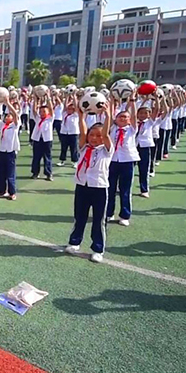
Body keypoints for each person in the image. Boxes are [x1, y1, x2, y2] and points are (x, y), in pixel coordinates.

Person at [65, 102, 113, 263]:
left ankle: (98, 249)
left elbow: (106, 135)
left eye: (98, 136)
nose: (94, 138)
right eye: (92, 135)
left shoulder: (106, 150)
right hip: (82, 186)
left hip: (99, 187)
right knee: (79, 216)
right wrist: (81, 116)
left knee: (99, 220)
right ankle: (74, 241)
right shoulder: (85, 147)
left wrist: (107, 115)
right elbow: (83, 132)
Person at [106, 93, 139, 226]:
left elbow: (135, 115)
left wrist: (132, 100)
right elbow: (110, 114)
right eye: (120, 117)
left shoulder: (131, 129)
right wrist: (112, 100)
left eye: (125, 117)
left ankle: (125, 215)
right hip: (112, 161)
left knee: (125, 190)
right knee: (110, 188)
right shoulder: (112, 128)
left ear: (129, 120)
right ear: (116, 119)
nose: (123, 119)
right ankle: (109, 213)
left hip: (127, 161)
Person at [135, 101, 162, 198]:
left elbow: (157, 110)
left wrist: (156, 98)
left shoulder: (150, 122)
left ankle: (144, 189)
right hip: (134, 147)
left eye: (145, 113)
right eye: (140, 113)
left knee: (144, 169)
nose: (142, 115)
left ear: (149, 114)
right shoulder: (134, 122)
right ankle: (120, 187)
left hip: (145, 147)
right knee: (128, 168)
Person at [0, 97, 20, 200]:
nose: (7, 117)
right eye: (6, 116)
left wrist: (8, 103)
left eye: (9, 116)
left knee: (10, 173)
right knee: (0, 172)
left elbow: (16, 115)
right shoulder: (3, 125)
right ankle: (2, 190)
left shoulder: (14, 126)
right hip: (1, 151)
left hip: (10, 152)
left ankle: (12, 192)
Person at [30, 97, 54, 181]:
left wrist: (49, 98)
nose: (42, 113)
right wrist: (36, 99)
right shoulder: (38, 119)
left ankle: (48, 173)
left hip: (47, 140)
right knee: (36, 157)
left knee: (47, 157)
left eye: (44, 111)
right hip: (37, 139)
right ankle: (35, 172)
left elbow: (51, 109)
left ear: (47, 112)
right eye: (40, 111)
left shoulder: (50, 119)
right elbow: (33, 110)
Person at [57, 95, 80, 167]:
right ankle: (62, 160)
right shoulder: (64, 114)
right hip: (64, 133)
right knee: (64, 147)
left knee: (74, 148)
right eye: (68, 109)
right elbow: (64, 106)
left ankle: (75, 161)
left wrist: (74, 98)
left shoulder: (75, 115)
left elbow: (76, 107)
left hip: (73, 133)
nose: (69, 110)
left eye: (71, 109)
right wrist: (67, 96)